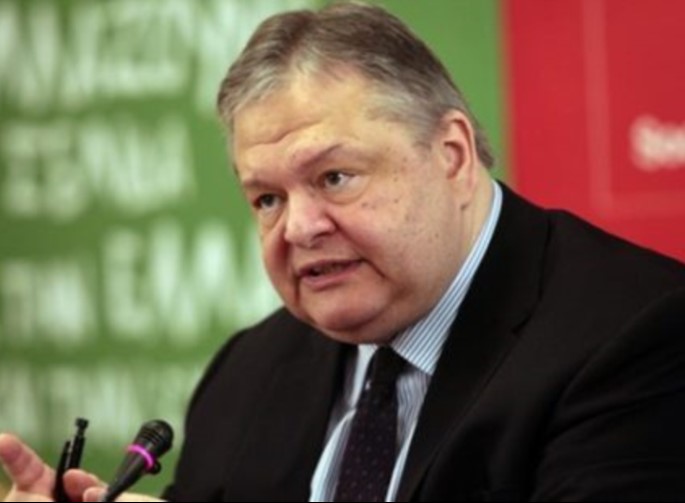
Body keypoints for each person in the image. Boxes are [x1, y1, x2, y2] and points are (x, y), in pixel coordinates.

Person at [2, 2, 685, 501]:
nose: (299, 228)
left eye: (334, 178)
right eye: (266, 198)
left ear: (451, 156)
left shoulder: (638, 336)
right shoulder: (246, 374)